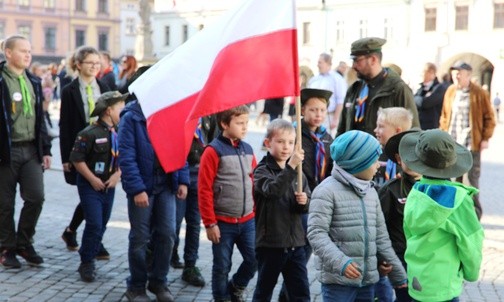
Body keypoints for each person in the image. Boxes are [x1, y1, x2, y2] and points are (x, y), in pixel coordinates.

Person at [307, 130, 407, 301]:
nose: (378, 166)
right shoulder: (326, 191)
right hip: (338, 282)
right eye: (374, 161)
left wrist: (398, 273)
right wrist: (341, 262)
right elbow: (316, 234)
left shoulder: (371, 192)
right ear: (358, 163)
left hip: (366, 281)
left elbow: (381, 237)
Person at [399, 129, 484, 301]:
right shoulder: (457, 200)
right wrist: (471, 273)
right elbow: (471, 241)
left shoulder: (415, 193)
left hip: (418, 279)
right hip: (443, 284)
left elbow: (408, 233)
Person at [118, 97, 189, 302]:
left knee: (168, 234)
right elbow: (127, 157)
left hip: (166, 184)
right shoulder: (131, 117)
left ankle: (158, 282)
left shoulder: (169, 111)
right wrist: (137, 189)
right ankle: (136, 286)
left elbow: (180, 148)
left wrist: (182, 180)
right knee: (140, 237)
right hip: (143, 186)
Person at [0, 35, 52, 268]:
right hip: (6, 151)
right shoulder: (2, 79)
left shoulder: (34, 81)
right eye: (23, 51)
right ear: (8, 53)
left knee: (36, 197)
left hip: (31, 149)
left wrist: (47, 148)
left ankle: (23, 242)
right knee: (4, 203)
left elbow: (40, 118)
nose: (28, 55)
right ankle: (6, 247)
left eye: (29, 51)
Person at [198, 105, 257, 302]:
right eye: (240, 123)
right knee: (222, 266)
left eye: (247, 123)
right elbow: (204, 189)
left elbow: (254, 181)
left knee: (254, 259)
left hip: (248, 220)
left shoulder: (248, 149)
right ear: (224, 124)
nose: (245, 127)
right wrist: (210, 223)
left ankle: (235, 287)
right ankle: (220, 298)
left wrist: (256, 211)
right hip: (222, 222)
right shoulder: (213, 151)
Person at [69, 91, 126, 282]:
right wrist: (92, 179)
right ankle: (87, 262)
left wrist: (118, 174)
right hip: (90, 185)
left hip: (108, 186)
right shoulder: (89, 133)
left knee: (101, 223)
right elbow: (77, 159)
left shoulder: (121, 132)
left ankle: (90, 251)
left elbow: (126, 157)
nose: (124, 110)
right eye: (120, 108)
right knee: (93, 222)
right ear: (109, 111)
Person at [59, 46, 111, 255]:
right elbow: (65, 125)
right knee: (90, 191)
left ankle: (73, 231)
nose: (94, 67)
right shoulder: (70, 91)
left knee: (95, 192)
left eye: (97, 63)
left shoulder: (105, 86)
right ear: (78, 65)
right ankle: (93, 239)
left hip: (103, 150)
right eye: (90, 63)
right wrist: (66, 157)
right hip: (81, 149)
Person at [252, 119, 311, 302]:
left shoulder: (298, 174)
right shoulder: (262, 171)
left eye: (291, 142)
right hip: (271, 244)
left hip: (295, 243)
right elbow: (272, 191)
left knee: (300, 292)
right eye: (280, 141)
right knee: (264, 290)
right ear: (268, 143)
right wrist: (291, 167)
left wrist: (303, 201)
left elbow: (304, 206)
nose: (286, 147)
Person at [439, 61, 496, 220]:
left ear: (468, 75)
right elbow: (444, 116)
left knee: (470, 183)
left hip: (471, 145)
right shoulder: (450, 91)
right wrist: (443, 134)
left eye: (459, 74)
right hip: (452, 145)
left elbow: (490, 118)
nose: (455, 76)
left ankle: (474, 217)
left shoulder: (479, 93)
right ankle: (454, 216)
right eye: (454, 73)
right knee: (452, 181)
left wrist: (485, 138)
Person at [171, 114, 218, 288]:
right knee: (173, 223)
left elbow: (214, 142)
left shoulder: (208, 116)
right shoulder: (180, 112)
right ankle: (169, 254)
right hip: (179, 172)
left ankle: (190, 265)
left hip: (200, 173)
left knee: (194, 223)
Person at [337, 37, 419, 137]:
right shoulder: (354, 89)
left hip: (384, 152)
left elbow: (413, 130)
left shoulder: (397, 89)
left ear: (373, 59)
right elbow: (342, 128)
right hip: (355, 151)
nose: (353, 66)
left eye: (357, 60)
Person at [378, 129, 422, 302]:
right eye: (406, 156)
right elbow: (378, 228)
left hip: (429, 261)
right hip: (400, 259)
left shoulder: (438, 187)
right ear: (398, 158)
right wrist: (381, 259)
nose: (411, 161)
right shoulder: (390, 190)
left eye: (417, 156)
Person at [373, 107, 413, 188]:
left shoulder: (408, 158)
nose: (375, 130)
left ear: (398, 131)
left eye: (380, 126)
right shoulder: (375, 153)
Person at [308, 53, 347, 132]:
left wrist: (335, 119)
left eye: (320, 62)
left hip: (328, 117)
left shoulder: (337, 79)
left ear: (327, 63)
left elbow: (340, 101)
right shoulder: (315, 79)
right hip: (312, 116)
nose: (317, 65)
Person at [414, 62, 448, 130]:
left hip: (431, 126)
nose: (421, 74)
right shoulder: (422, 87)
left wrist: (419, 99)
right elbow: (412, 100)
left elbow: (425, 103)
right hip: (419, 125)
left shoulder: (439, 88)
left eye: (424, 72)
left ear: (432, 73)